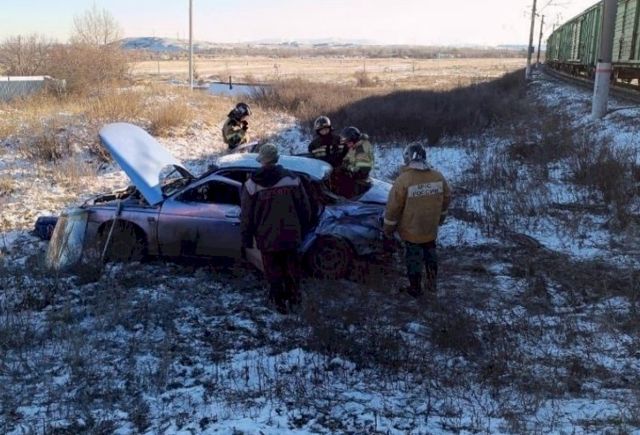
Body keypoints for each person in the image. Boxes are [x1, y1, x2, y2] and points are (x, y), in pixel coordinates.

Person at [240, 143, 312, 314]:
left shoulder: (251, 185)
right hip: (291, 234)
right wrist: (302, 229)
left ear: (261, 161)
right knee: (292, 269)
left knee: (273, 272)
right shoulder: (292, 179)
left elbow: (246, 215)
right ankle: (295, 301)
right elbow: (304, 208)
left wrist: (247, 238)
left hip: (267, 237)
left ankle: (279, 304)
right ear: (277, 159)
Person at [383, 144, 451, 298]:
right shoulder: (438, 176)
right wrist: (440, 218)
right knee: (430, 253)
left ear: (407, 158)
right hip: (430, 227)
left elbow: (393, 207)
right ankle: (432, 284)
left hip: (411, 229)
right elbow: (447, 198)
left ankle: (415, 288)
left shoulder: (403, 180)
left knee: (413, 258)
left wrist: (388, 228)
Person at [334, 126, 374, 198]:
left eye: (349, 143)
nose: (347, 145)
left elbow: (362, 172)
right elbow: (342, 157)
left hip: (359, 183)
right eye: (346, 143)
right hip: (352, 176)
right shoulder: (351, 147)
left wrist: (345, 167)